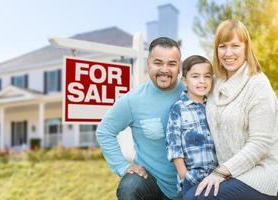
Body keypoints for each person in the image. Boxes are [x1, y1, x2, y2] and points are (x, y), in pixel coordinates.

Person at [183, 19, 278, 200]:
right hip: (229, 172)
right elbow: (191, 90)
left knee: (198, 199)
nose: (228, 53)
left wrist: (221, 172)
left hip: (260, 174)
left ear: (246, 48)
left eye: (235, 46)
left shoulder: (258, 84)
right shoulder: (216, 82)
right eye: (222, 46)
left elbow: (260, 144)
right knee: (188, 195)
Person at [96, 37, 184, 200]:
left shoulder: (192, 93)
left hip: (190, 183)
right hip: (152, 182)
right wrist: (122, 166)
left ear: (179, 67)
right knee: (130, 187)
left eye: (171, 64)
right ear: (148, 64)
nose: (165, 69)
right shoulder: (133, 100)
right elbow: (105, 131)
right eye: (158, 63)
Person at [166, 55, 218, 199]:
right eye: (195, 76)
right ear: (184, 80)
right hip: (192, 180)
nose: (202, 81)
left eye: (207, 76)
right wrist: (185, 176)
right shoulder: (178, 109)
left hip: (217, 178)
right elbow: (174, 148)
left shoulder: (213, 107)